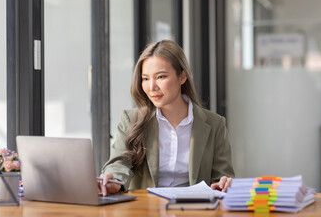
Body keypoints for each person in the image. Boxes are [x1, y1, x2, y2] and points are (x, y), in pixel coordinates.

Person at [98, 39, 234, 196]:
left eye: (161, 77)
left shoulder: (215, 124)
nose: (151, 87)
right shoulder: (131, 119)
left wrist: (224, 183)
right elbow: (119, 164)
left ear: (182, 77)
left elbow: (223, 176)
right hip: (146, 209)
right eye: (145, 78)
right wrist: (113, 181)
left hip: (193, 209)